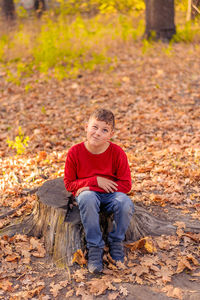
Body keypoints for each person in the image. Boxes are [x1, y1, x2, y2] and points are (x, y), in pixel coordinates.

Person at [64, 108, 134, 273]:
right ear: (86, 127)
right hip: (88, 196)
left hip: (111, 196)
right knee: (87, 197)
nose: (97, 133)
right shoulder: (75, 152)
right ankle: (95, 247)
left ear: (111, 134)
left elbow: (126, 185)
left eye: (104, 130)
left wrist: (98, 186)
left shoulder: (117, 153)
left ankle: (116, 242)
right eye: (94, 127)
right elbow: (68, 184)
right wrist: (94, 182)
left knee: (125, 202)